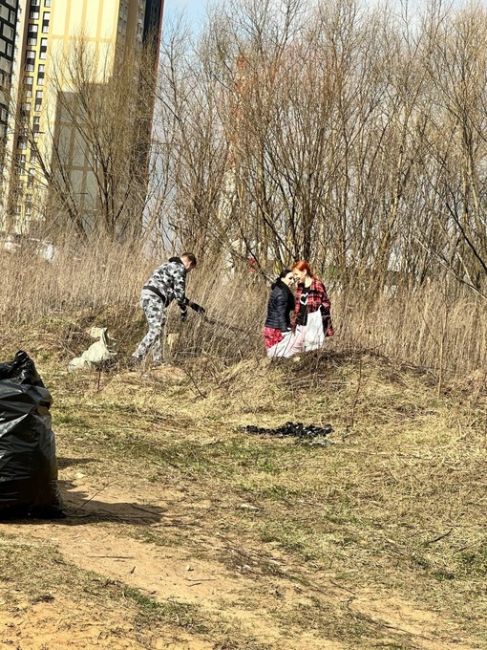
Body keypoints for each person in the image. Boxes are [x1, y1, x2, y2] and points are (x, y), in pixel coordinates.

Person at [132, 253, 205, 366]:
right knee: (156, 328)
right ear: (189, 263)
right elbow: (180, 295)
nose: (189, 271)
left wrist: (193, 305)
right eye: (191, 269)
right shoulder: (180, 268)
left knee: (158, 327)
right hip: (155, 297)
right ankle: (137, 356)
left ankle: (158, 360)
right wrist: (184, 312)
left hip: (147, 295)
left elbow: (176, 294)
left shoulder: (167, 265)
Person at [290, 260, 333, 353]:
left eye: (296, 274)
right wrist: (293, 322)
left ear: (304, 272)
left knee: (311, 353)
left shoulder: (317, 285)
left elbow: (326, 303)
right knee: (293, 350)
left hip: (312, 326)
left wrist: (318, 312)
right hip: (300, 325)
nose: (295, 277)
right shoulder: (300, 287)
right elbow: (297, 307)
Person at [263, 269, 296, 358]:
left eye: (293, 279)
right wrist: (285, 331)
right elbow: (280, 313)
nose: (292, 281)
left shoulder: (278, 289)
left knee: (274, 358)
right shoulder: (283, 293)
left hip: (270, 328)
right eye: (290, 278)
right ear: (282, 279)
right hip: (276, 330)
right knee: (280, 357)